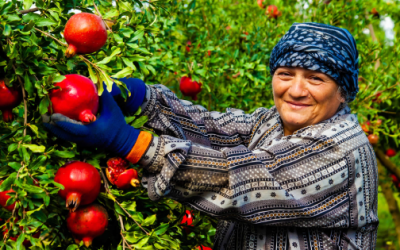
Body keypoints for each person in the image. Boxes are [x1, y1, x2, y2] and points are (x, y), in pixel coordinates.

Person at [44, 22, 378, 249]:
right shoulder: (273, 124)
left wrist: (132, 144)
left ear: (344, 91)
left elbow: (239, 182)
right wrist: (145, 99)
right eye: (285, 74)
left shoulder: (340, 149)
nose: (296, 90)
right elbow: (211, 128)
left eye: (315, 79)